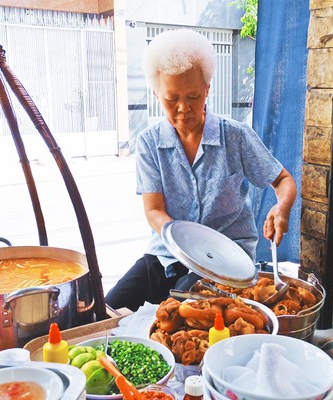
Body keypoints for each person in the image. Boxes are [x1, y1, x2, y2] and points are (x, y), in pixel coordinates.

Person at [105, 29, 296, 311]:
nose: (184, 108)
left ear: (207, 89)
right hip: (167, 254)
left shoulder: (236, 137)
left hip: (226, 261)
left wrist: (282, 206)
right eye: (172, 99)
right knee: (108, 308)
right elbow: (154, 210)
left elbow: (282, 180)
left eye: (193, 96)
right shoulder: (149, 143)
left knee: (176, 313)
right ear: (157, 94)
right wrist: (184, 243)